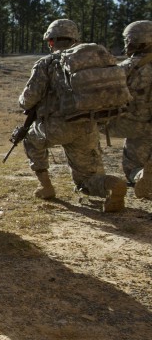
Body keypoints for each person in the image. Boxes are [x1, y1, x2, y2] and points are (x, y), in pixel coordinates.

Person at [18, 19, 127, 211]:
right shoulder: (90, 61)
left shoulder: (46, 63)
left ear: (50, 41)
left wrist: (23, 102)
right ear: (74, 40)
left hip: (56, 127)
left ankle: (46, 186)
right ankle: (112, 185)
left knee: (29, 138)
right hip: (87, 124)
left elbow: (28, 99)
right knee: (86, 179)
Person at [103, 20, 152, 198]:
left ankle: (140, 176)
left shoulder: (126, 68)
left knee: (131, 165)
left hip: (135, 125)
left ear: (134, 42)